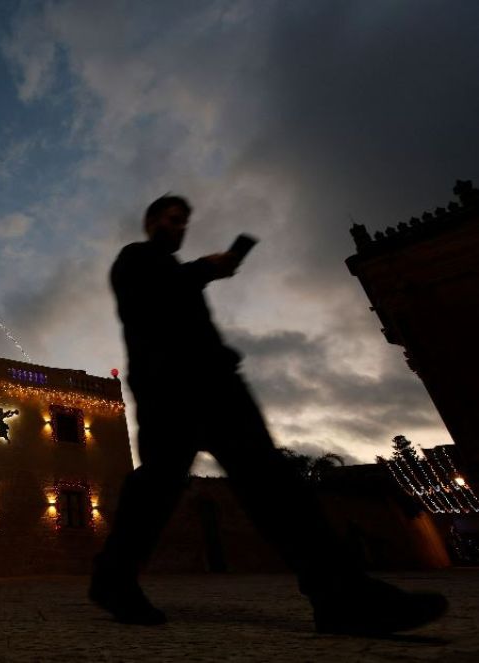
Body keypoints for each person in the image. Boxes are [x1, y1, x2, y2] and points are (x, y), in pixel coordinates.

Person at [89, 194, 447, 634]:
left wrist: (205, 276)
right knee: (159, 487)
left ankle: (340, 594)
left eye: (183, 221)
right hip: (170, 387)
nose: (176, 226)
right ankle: (113, 578)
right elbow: (155, 293)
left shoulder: (177, 273)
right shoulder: (136, 259)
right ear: (149, 222)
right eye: (169, 218)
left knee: (269, 480)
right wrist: (206, 268)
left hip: (216, 382)